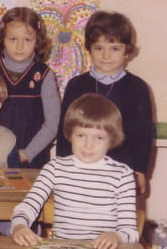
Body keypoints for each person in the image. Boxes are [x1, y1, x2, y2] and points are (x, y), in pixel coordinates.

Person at [12, 93, 139, 249]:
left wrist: (116, 235)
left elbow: (130, 230)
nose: (88, 145)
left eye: (98, 138)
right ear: (70, 134)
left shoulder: (122, 175)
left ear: (112, 139)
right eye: (81, 135)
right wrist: (20, 224)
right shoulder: (55, 168)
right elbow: (28, 205)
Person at [56, 11, 154, 194]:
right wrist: (62, 166)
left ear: (127, 51)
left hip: (121, 172)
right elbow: (64, 131)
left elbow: (143, 135)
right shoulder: (76, 85)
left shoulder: (138, 88)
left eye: (115, 49)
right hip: (81, 169)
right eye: (99, 48)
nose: (106, 55)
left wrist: (140, 170)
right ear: (89, 49)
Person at [0, 7, 60, 168]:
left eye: (27, 40)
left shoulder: (44, 75)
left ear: (37, 41)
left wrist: (27, 153)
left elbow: (53, 123)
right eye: (13, 39)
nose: (20, 46)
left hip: (33, 158)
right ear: (2, 39)